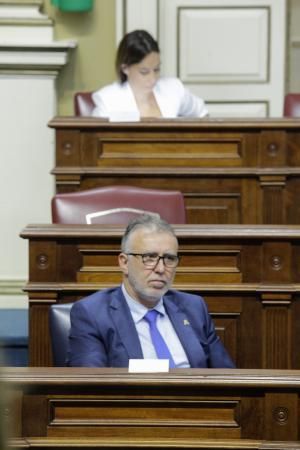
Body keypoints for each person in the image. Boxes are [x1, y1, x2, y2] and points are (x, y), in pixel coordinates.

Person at [67, 214, 234, 368]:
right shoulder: (92, 314)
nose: (161, 268)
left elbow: (226, 376)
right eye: (149, 258)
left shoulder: (194, 307)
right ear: (124, 263)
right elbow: (90, 387)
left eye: (169, 258)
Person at [91, 29, 208, 120]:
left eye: (156, 69)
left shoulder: (174, 88)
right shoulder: (108, 100)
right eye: (144, 72)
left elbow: (202, 113)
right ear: (125, 68)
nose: (153, 79)